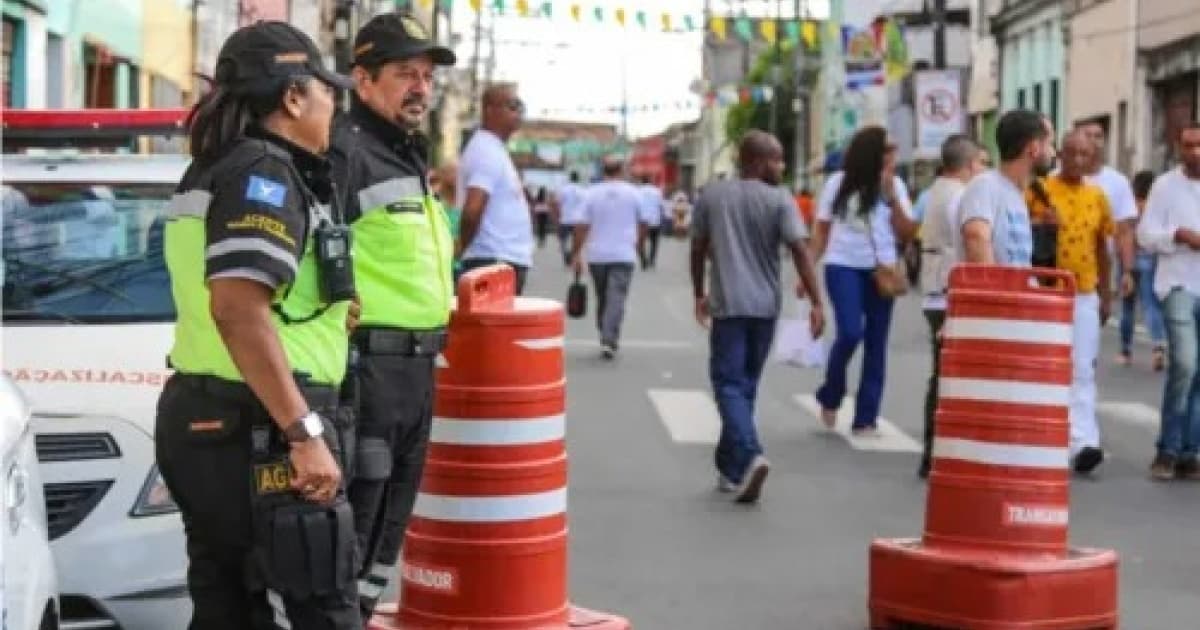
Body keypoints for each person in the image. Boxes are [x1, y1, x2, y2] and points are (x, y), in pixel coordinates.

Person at [154, 21, 360, 629]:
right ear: (294, 97)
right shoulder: (263, 174)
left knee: (230, 612)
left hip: (216, 418)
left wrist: (328, 312)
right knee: (321, 612)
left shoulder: (221, 166)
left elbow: (252, 296)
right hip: (260, 427)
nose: (334, 109)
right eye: (328, 92)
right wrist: (302, 432)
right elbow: (238, 309)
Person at [326, 12, 457, 618]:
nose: (420, 88)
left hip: (417, 374)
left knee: (386, 540)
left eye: (426, 76)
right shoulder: (345, 152)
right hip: (367, 376)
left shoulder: (402, 156)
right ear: (363, 79)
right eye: (406, 73)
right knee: (351, 537)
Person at [690, 130, 824, 504]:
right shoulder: (780, 200)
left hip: (729, 306)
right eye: (777, 159)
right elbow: (800, 251)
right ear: (756, 161)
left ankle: (749, 455)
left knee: (729, 385)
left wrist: (698, 292)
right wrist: (817, 301)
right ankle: (730, 470)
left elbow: (698, 247)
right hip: (765, 308)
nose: (782, 166)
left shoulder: (713, 196)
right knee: (743, 386)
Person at [810, 126, 918, 435]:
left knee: (876, 344)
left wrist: (893, 197)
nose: (894, 156)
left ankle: (865, 417)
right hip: (843, 266)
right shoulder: (837, 184)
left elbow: (907, 233)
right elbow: (821, 231)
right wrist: (807, 272)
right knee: (850, 332)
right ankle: (831, 392)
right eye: (888, 150)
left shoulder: (895, 185)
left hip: (882, 271)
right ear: (872, 154)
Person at [1025, 130, 1115, 475]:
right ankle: (1047, 439)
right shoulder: (1040, 192)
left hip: (1084, 293)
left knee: (1082, 368)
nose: (1078, 160)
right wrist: (1040, 223)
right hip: (1045, 290)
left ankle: (1083, 443)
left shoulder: (1097, 197)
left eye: (1085, 155)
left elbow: (1102, 250)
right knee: (1047, 369)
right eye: (1072, 153)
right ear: (1060, 154)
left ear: (1093, 159)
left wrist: (1105, 295)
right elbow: (1018, 234)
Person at [916, 135, 986, 478]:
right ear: (970, 164)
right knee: (948, 376)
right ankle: (937, 452)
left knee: (942, 372)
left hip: (935, 288)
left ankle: (935, 451)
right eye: (982, 164)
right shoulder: (960, 196)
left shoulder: (936, 192)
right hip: (949, 290)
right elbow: (971, 243)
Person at [1137, 122, 1200, 482]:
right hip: (1177, 285)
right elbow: (1146, 236)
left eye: (1199, 146)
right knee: (1186, 364)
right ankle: (1167, 449)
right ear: (1178, 147)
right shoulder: (1165, 186)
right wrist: (1176, 236)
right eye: (1187, 146)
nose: (1193, 153)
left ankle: (1190, 453)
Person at [458, 84, 533, 293]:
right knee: (492, 326)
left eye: (521, 106)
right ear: (489, 110)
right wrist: (461, 250)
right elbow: (473, 210)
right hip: (492, 262)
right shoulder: (485, 151)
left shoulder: (495, 148)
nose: (518, 112)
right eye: (512, 105)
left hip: (501, 260)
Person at [959, 109, 1055, 266]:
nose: (1054, 153)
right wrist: (997, 289)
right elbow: (976, 237)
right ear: (1034, 148)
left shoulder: (1015, 195)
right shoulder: (985, 185)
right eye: (1050, 144)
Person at [571, 158, 645, 359]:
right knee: (615, 297)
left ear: (603, 171)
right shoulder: (633, 193)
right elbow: (644, 221)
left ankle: (607, 335)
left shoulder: (591, 193)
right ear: (622, 170)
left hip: (598, 255)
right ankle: (608, 335)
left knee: (604, 296)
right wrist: (639, 244)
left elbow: (580, 225)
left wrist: (576, 252)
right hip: (623, 254)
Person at [1076, 120, 1138, 303]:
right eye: (1088, 135)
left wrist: (1127, 271)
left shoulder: (1118, 182)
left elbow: (1125, 231)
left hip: (1102, 269)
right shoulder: (1055, 178)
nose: (1094, 140)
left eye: (1099, 136)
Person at [1118, 170, 1166, 370]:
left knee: (1127, 307)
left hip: (1129, 258)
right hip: (1150, 258)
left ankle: (1125, 351)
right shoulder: (1155, 208)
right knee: (1151, 304)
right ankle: (1158, 345)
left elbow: (1121, 234)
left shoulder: (1130, 208)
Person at [554, 172, 586, 266]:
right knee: (576, 241)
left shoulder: (564, 190)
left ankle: (566, 255)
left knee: (563, 240)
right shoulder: (582, 190)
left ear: (570, 178)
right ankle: (573, 255)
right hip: (578, 220)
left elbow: (557, 203)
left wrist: (558, 216)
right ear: (578, 179)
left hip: (565, 219)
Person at [636, 175, 665, 269]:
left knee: (640, 242)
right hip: (655, 220)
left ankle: (644, 260)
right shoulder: (657, 191)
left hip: (642, 221)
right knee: (654, 242)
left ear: (642, 181)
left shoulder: (637, 191)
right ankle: (652, 260)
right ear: (650, 181)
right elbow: (661, 206)